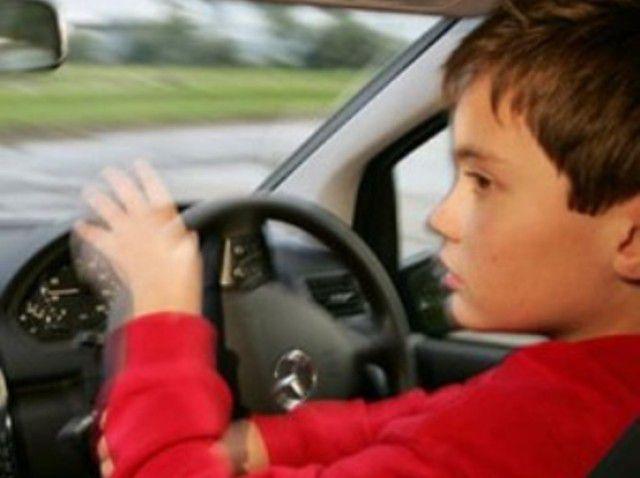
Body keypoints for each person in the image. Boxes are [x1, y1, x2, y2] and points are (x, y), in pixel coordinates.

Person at [74, 0, 640, 476]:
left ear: (632, 239)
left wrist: (161, 315)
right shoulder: (590, 389)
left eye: (483, 182)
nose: (440, 218)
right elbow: (422, 421)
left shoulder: (531, 429)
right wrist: (258, 443)